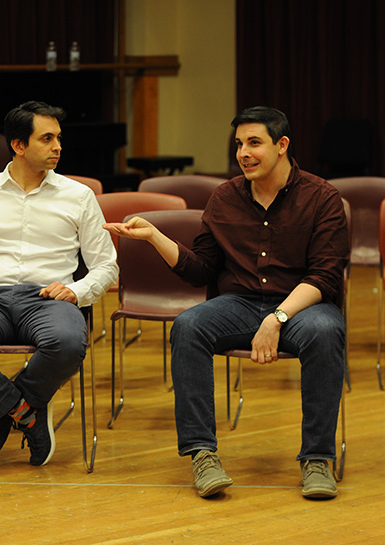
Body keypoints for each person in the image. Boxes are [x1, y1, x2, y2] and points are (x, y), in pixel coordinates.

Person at [104, 106, 349, 500]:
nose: (244, 153)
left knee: (325, 330)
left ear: (282, 145)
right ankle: (202, 455)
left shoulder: (322, 197)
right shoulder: (225, 197)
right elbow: (200, 269)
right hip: (240, 303)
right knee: (189, 325)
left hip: (302, 306)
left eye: (255, 143)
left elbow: (325, 276)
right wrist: (154, 237)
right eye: (239, 144)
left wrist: (278, 317)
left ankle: (317, 458)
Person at [0, 101, 117, 467]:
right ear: (18, 145)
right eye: (46, 139)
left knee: (66, 343)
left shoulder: (78, 196)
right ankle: (27, 413)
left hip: (48, 298)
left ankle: (7, 409)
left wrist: (76, 291)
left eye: (58, 138)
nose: (58, 146)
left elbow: (106, 265)